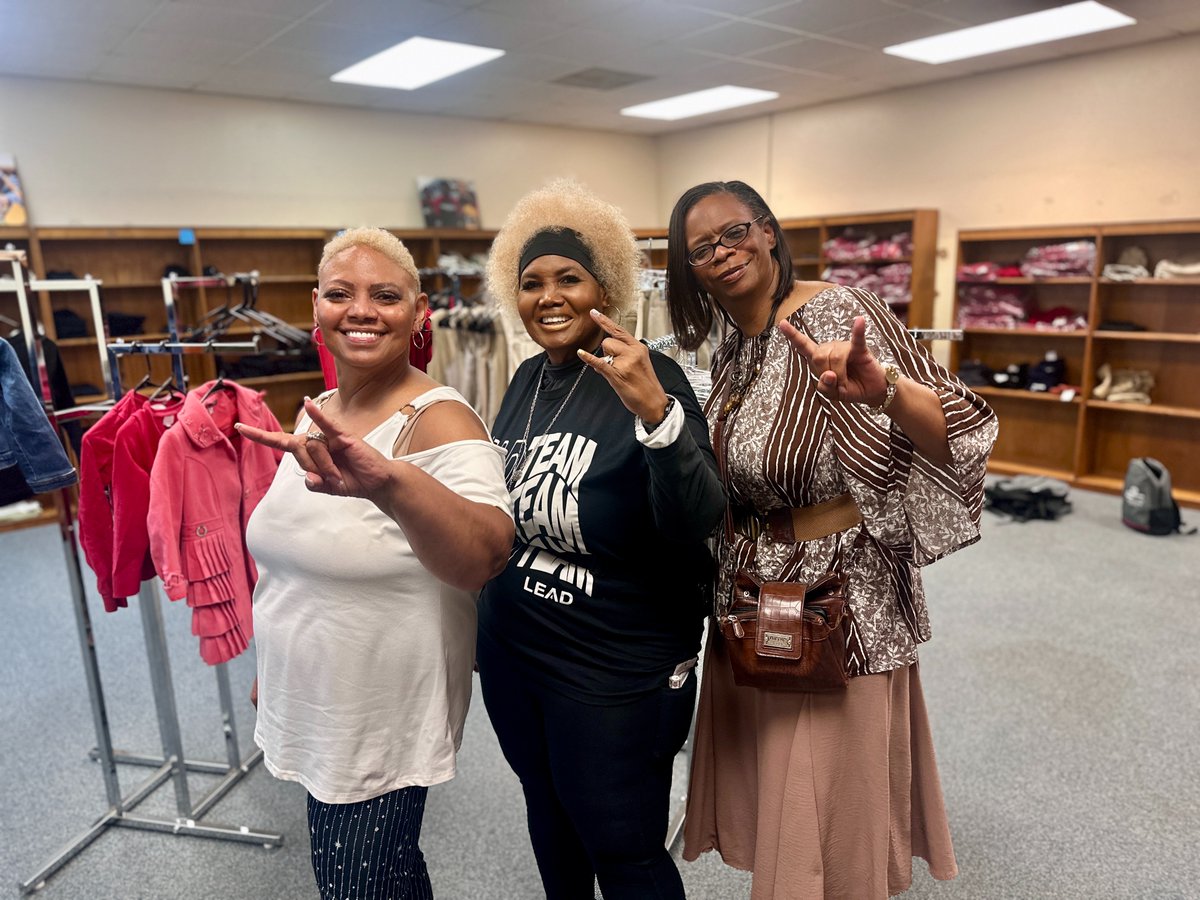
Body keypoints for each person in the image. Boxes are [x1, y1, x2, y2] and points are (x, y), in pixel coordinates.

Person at [665, 181, 998, 900]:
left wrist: (883, 394)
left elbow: (956, 433)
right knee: (788, 807)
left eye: (735, 232)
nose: (724, 253)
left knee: (822, 817)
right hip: (755, 599)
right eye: (702, 248)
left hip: (832, 605)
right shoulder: (733, 341)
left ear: (769, 232)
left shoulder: (841, 310)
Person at [236, 227, 515, 900]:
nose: (361, 310)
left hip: (380, 716)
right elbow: (292, 562)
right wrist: (271, 665)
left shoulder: (442, 420)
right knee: (381, 877)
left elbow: (485, 555)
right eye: (341, 293)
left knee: (355, 886)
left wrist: (390, 485)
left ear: (419, 313)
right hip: (317, 700)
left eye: (385, 296)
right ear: (316, 309)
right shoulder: (319, 412)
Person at [477, 179, 725, 900]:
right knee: (548, 814)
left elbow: (695, 519)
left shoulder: (651, 374)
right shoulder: (526, 377)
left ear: (604, 287)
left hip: (615, 664)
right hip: (517, 651)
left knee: (622, 846)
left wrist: (657, 416)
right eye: (531, 282)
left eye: (568, 278)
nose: (548, 296)